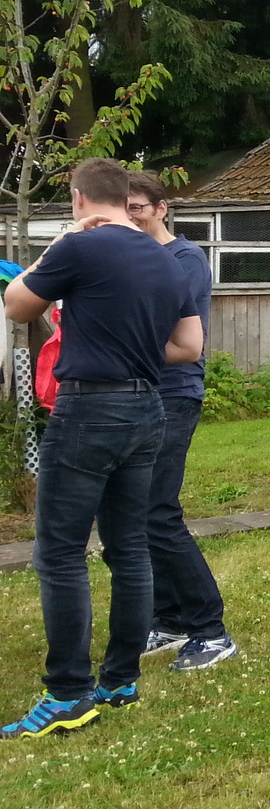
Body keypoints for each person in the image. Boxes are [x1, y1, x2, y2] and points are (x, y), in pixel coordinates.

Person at [1, 158, 203, 739]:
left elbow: (16, 304)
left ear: (79, 197)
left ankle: (67, 694)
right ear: (125, 197)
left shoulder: (78, 246)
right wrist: (129, 350)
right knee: (130, 548)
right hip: (148, 409)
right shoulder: (166, 258)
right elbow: (188, 344)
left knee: (60, 553)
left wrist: (55, 246)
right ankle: (120, 681)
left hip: (89, 409)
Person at [125, 172, 239, 673]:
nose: (131, 216)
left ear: (161, 208)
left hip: (173, 393)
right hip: (136, 392)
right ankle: (169, 618)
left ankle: (211, 631)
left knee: (158, 510)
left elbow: (163, 320)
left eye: (138, 207)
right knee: (139, 511)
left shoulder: (184, 258)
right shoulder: (131, 257)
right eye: (124, 208)